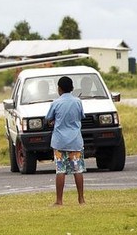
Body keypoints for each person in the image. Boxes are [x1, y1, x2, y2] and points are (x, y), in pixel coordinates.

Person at [46, 76, 86, 206]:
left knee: (60, 170)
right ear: (72, 88)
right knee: (77, 169)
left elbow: (48, 118)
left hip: (59, 142)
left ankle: (59, 200)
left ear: (59, 89)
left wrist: (54, 121)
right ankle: (81, 199)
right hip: (75, 141)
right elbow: (81, 116)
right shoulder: (78, 102)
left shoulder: (56, 103)